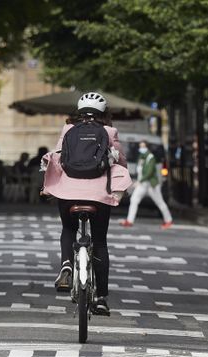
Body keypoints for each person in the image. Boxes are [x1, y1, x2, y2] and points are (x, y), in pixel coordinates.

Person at [42, 92, 132, 316]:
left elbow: (57, 157)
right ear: (104, 114)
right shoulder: (110, 132)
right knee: (100, 241)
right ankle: (101, 298)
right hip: (99, 196)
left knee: (68, 228)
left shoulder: (68, 131)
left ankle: (66, 265)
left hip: (68, 193)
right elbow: (121, 161)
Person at [121, 141, 173, 229]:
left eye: (143, 146)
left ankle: (168, 220)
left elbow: (149, 172)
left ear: (147, 148)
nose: (141, 148)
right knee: (134, 200)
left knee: (159, 201)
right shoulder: (141, 157)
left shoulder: (150, 157)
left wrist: (139, 181)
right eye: (140, 146)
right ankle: (129, 221)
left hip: (151, 184)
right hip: (143, 184)